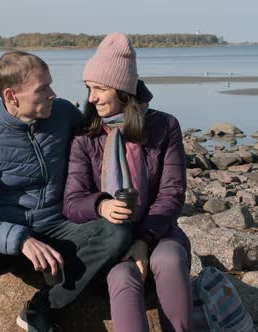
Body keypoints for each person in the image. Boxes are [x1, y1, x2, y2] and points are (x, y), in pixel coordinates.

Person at [0, 50, 135, 332]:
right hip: (6, 240)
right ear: (11, 96)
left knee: (119, 231)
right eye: (43, 89)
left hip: (60, 229)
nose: (53, 94)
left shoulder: (63, 114)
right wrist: (19, 239)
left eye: (51, 85)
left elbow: (108, 121)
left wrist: (132, 91)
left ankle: (42, 307)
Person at [63, 33, 192, 332]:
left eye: (99, 88)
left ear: (123, 90)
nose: (91, 97)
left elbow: (172, 193)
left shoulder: (165, 125)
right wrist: (102, 205)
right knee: (122, 276)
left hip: (158, 230)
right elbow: (72, 201)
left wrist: (144, 239)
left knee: (170, 260)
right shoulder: (86, 135)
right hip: (109, 238)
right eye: (88, 88)